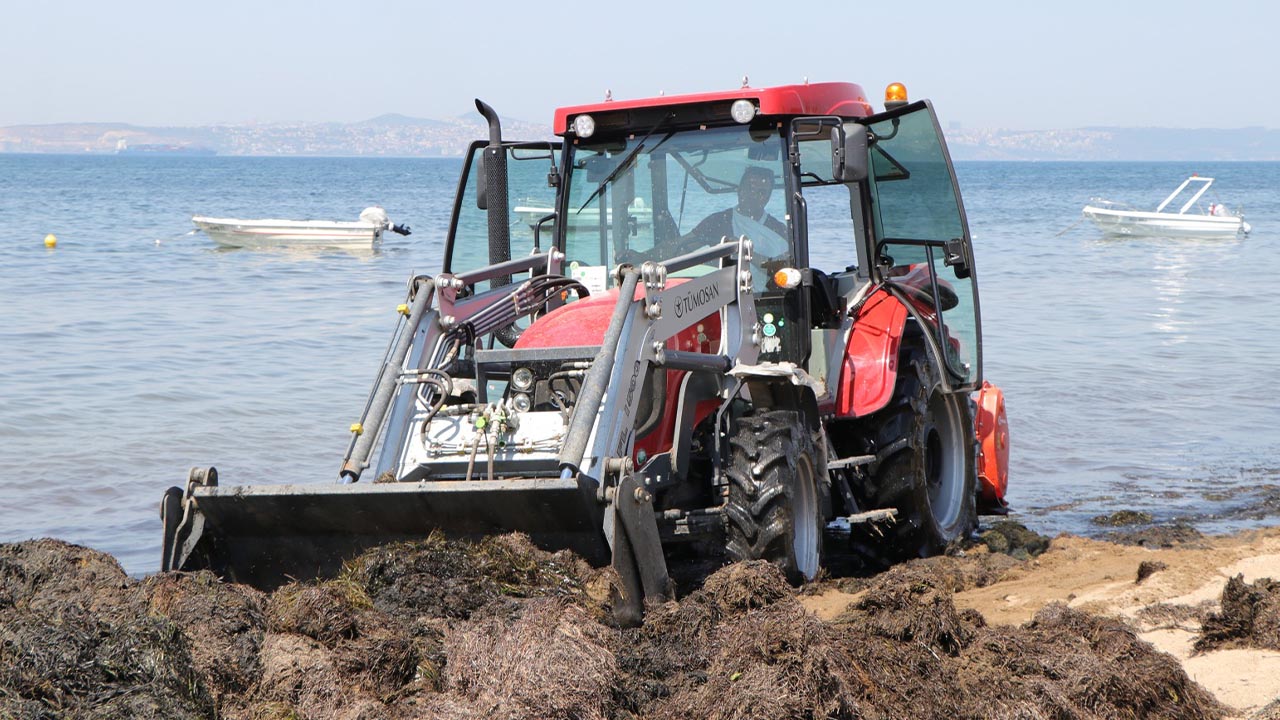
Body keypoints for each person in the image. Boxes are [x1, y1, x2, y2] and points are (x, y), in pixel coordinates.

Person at [681, 165, 789, 259]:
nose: (753, 195)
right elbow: (682, 248)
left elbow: (784, 268)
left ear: (768, 197)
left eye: (761, 192)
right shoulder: (718, 221)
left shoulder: (778, 230)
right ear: (739, 190)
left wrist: (742, 250)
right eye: (749, 188)